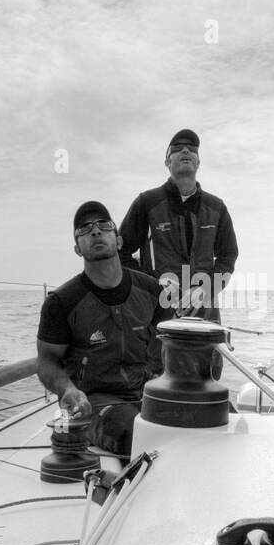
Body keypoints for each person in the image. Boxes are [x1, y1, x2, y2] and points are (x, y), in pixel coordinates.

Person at [36, 201, 172, 456]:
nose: (95, 231)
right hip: (95, 401)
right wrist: (68, 390)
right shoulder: (62, 303)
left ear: (119, 241)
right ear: (77, 248)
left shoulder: (153, 291)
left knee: (215, 412)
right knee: (134, 433)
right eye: (85, 229)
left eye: (104, 226)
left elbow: (170, 345)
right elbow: (46, 362)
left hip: (148, 391)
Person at [119, 129, 239, 323]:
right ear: (167, 162)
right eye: (177, 148)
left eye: (192, 148)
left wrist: (205, 289)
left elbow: (228, 256)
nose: (185, 150)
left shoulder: (216, 207)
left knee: (207, 353)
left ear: (198, 162)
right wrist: (154, 282)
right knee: (160, 354)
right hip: (158, 316)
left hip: (206, 318)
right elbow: (120, 253)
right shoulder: (147, 203)